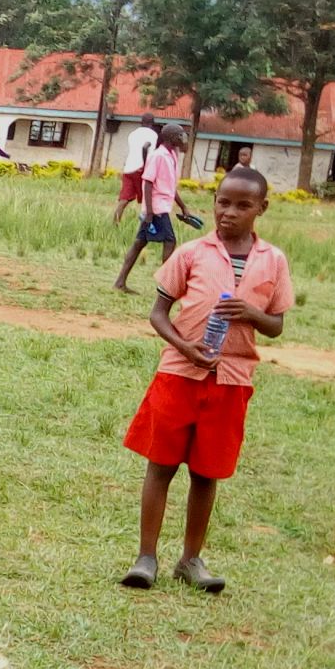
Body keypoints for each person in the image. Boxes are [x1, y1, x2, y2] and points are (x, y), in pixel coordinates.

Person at [120, 166, 293, 594]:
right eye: (222, 202)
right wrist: (184, 347)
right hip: (179, 374)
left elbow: (275, 325)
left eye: (242, 205)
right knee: (159, 466)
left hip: (231, 380)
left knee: (206, 472)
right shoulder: (193, 253)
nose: (229, 213)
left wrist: (252, 314)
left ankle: (191, 559)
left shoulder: (272, 260)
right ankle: (146, 557)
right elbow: (158, 313)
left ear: (261, 209)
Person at [114, 121, 187, 294]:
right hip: (156, 208)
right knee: (170, 241)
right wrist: (149, 212)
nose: (182, 138)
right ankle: (167, 285)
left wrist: (183, 207)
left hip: (161, 206)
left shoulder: (172, 155)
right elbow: (147, 182)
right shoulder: (158, 156)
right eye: (179, 135)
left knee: (139, 243)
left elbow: (170, 186)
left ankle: (120, 282)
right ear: (170, 137)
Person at [113, 117, 157, 229]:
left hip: (128, 169)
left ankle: (115, 224)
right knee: (148, 199)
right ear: (152, 124)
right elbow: (145, 147)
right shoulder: (153, 134)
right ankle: (148, 227)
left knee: (124, 199)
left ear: (141, 122)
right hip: (141, 169)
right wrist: (145, 164)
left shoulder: (132, 134)